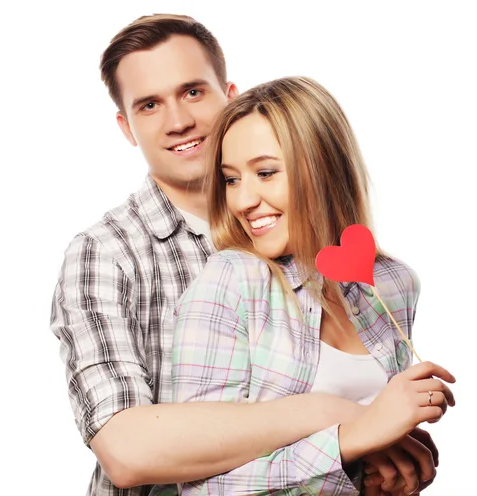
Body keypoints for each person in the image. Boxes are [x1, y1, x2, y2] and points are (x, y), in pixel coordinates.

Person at [50, 14, 440, 496]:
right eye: (149, 105)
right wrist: (342, 420)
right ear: (126, 126)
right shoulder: (105, 256)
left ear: (229, 94)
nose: (178, 121)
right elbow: (127, 452)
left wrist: (381, 465)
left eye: (193, 91)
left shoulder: (327, 259)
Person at [171, 76, 456, 495]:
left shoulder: (395, 283)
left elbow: (370, 457)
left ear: (323, 167)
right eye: (232, 179)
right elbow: (198, 485)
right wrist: (350, 440)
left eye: (265, 173)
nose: (243, 201)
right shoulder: (231, 281)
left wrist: (391, 470)